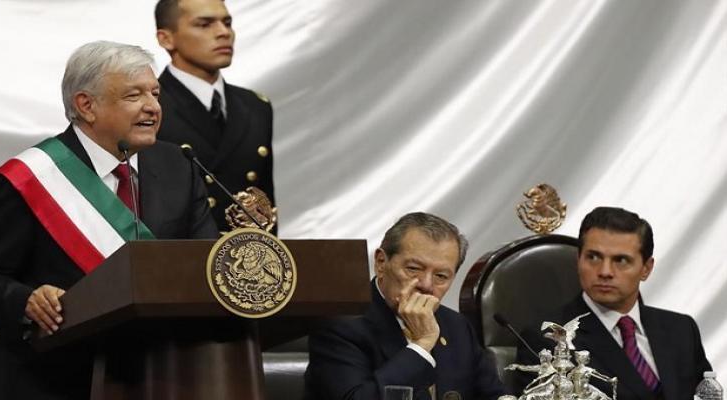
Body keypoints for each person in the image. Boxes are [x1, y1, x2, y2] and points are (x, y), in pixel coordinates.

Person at [0, 40, 218, 400]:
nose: (153, 107)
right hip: (51, 381)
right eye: (133, 96)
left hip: (158, 377)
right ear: (86, 105)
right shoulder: (29, 178)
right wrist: (26, 299)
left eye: (155, 93)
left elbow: (205, 262)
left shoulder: (179, 167)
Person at [514, 206, 712, 400]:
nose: (605, 271)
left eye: (621, 260)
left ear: (646, 268)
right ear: (578, 260)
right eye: (593, 257)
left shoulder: (682, 330)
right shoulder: (550, 339)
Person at [304, 212, 507, 400]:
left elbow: (494, 395)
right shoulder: (340, 324)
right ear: (381, 263)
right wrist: (422, 344)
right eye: (414, 269)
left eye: (441, 276)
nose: (426, 285)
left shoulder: (456, 326)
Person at [154, 0, 276, 233]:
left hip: (245, 256)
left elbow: (264, 204)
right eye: (205, 24)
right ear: (166, 38)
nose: (223, 33)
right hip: (178, 259)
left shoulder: (255, 106)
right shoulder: (150, 106)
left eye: (227, 23)